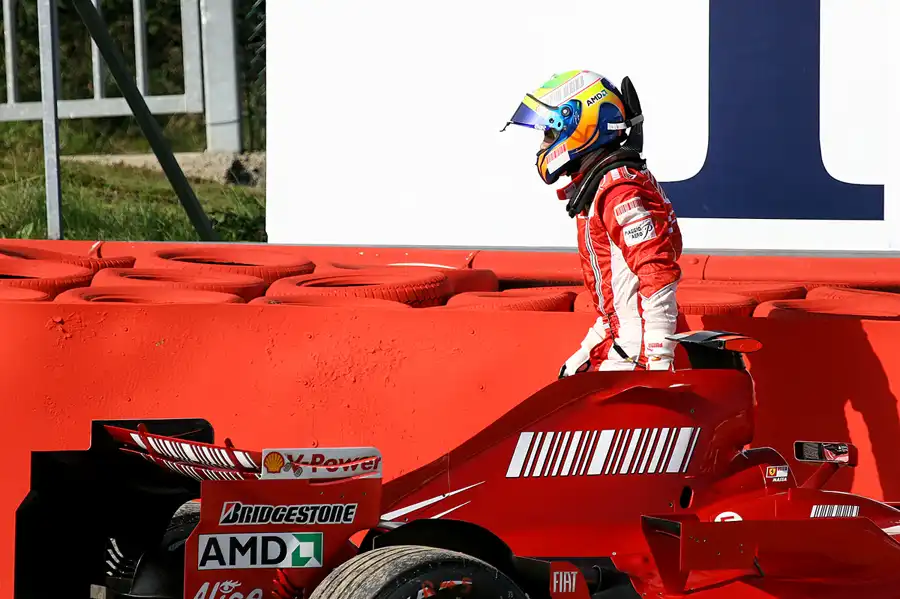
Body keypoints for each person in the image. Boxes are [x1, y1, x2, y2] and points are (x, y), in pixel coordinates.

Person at [501, 70, 683, 373]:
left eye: (549, 133)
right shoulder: (600, 186)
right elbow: (616, 305)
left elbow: (658, 275)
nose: (543, 145)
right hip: (622, 342)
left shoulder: (619, 191)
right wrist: (586, 351)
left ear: (579, 126)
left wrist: (659, 358)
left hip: (638, 354)